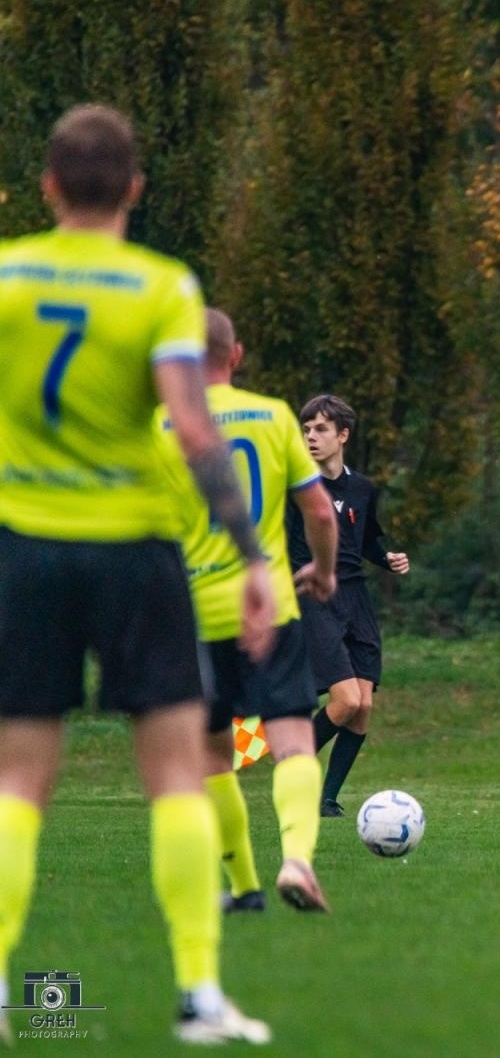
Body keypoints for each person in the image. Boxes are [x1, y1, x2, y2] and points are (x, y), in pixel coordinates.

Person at [0, 105, 273, 1044]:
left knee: (16, 780)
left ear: (47, 187)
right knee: (176, 774)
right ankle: (199, 992)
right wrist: (252, 555)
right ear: (135, 190)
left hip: (24, 547)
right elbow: (194, 429)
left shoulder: (7, 276)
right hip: (135, 553)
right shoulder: (161, 285)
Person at [157, 308, 340, 914]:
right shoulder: (273, 415)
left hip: (196, 614)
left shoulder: (162, 425)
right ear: (235, 355)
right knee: (291, 740)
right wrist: (325, 570)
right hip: (272, 607)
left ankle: (243, 887)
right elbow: (320, 511)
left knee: (214, 755)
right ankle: (297, 860)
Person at [285, 394, 410, 817]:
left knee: (364, 707)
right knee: (346, 702)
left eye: (320, 429)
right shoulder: (295, 487)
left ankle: (326, 800)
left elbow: (367, 539)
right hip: (315, 596)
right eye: (306, 429)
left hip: (357, 600)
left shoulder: (362, 488)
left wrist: (388, 558)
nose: (311, 436)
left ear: (343, 435)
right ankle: (291, 764)